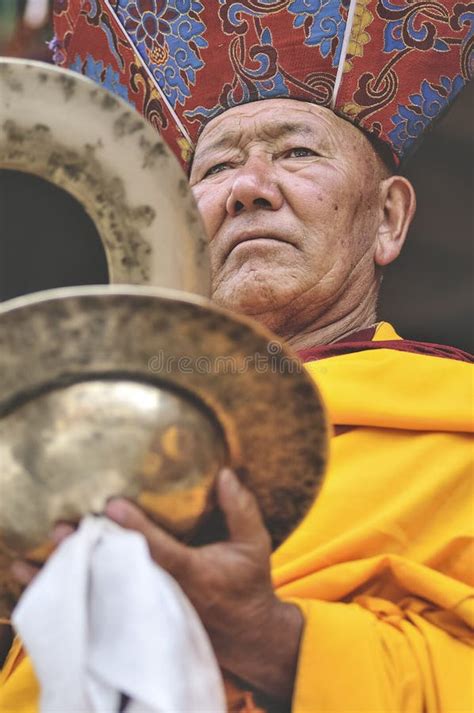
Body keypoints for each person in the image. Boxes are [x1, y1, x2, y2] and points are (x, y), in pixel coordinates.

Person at [1, 2, 473, 711]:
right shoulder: (94, 440)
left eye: (297, 152)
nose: (250, 187)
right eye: (217, 166)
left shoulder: (454, 432)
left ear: (387, 218)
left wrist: (266, 634)